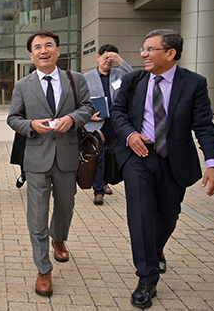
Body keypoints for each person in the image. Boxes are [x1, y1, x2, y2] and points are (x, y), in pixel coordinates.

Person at [111, 29, 214, 309]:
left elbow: (204, 126)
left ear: (170, 53)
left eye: (150, 49)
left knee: (168, 215)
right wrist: (130, 135)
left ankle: (156, 247)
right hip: (138, 156)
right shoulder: (134, 79)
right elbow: (118, 112)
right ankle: (147, 278)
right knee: (140, 215)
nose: (143, 54)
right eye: (143, 48)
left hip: (174, 160)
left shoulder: (194, 83)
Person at [7, 30, 93, 297]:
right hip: (36, 158)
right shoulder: (23, 85)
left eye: (49, 46)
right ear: (30, 55)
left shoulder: (75, 79)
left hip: (67, 156)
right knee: (37, 214)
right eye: (37, 47)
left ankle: (59, 238)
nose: (43, 50)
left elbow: (88, 107)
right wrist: (30, 125)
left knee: (65, 207)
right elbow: (13, 118)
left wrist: (74, 119)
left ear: (58, 50)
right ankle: (43, 269)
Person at [84, 44, 133, 205]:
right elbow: (80, 101)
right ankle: (98, 191)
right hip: (97, 124)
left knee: (113, 156)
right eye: (106, 58)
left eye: (112, 59)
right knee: (99, 156)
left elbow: (136, 78)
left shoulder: (120, 74)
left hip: (117, 123)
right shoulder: (87, 77)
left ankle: (105, 182)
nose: (108, 61)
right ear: (98, 58)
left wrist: (120, 61)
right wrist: (89, 116)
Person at [10, 64, 36, 188]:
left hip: (44, 130)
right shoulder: (23, 87)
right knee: (22, 156)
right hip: (24, 128)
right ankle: (23, 175)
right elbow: (14, 114)